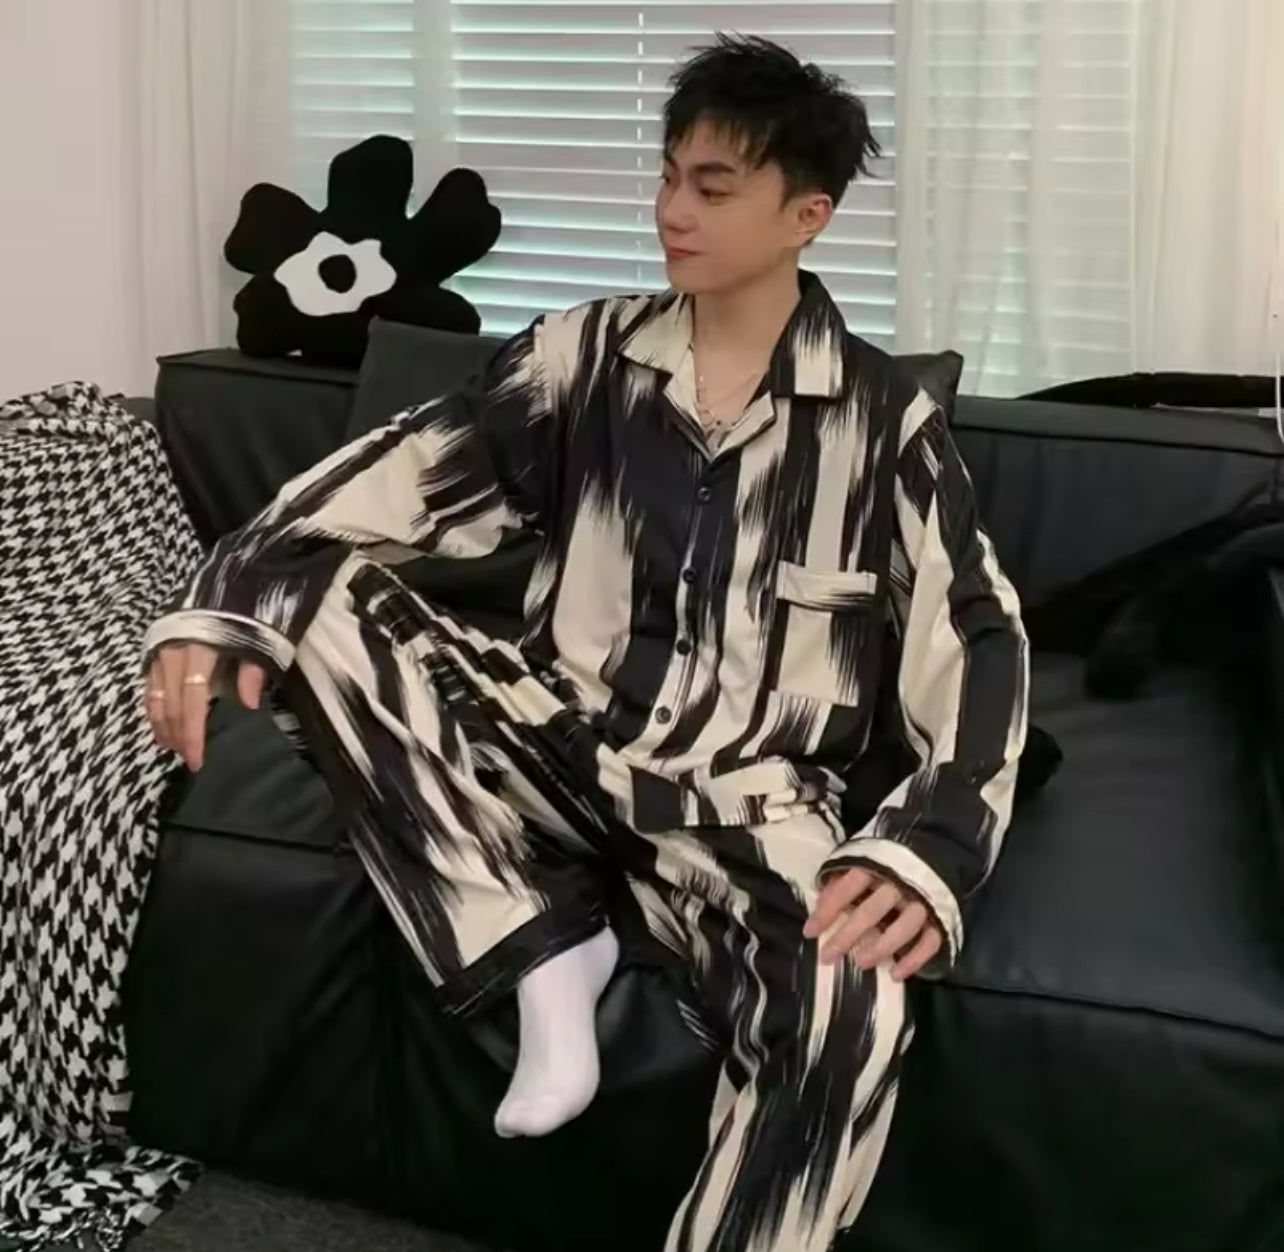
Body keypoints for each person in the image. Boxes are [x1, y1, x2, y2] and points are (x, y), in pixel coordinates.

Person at [142, 33, 1028, 1252]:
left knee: (850, 1006)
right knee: (305, 591)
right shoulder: (582, 358)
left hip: (748, 803)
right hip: (551, 739)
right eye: (667, 176)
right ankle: (537, 945)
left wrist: (930, 847)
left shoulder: (885, 424)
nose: (672, 211)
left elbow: (974, 641)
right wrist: (221, 601)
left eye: (712, 187)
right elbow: (389, 480)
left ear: (805, 216)